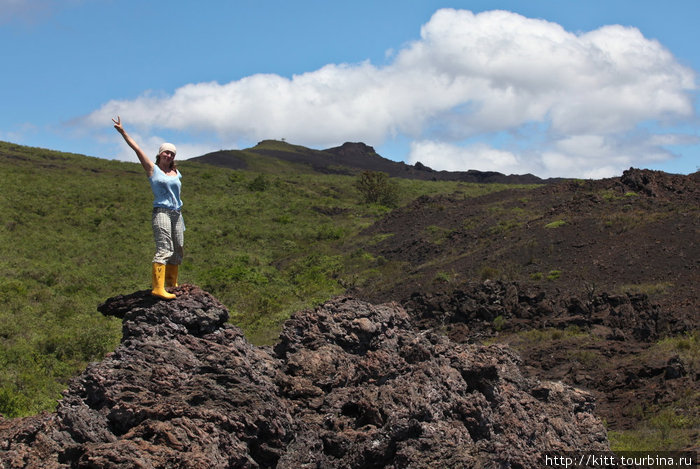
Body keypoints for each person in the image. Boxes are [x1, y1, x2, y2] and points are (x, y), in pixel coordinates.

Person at [112, 116, 184, 300]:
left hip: (177, 213)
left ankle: (171, 285)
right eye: (166, 152)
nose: (168, 155)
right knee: (165, 247)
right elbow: (136, 148)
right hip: (161, 211)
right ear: (160, 154)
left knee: (178, 248)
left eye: (171, 154)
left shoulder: (176, 173)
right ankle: (158, 288)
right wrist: (123, 131)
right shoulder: (153, 169)